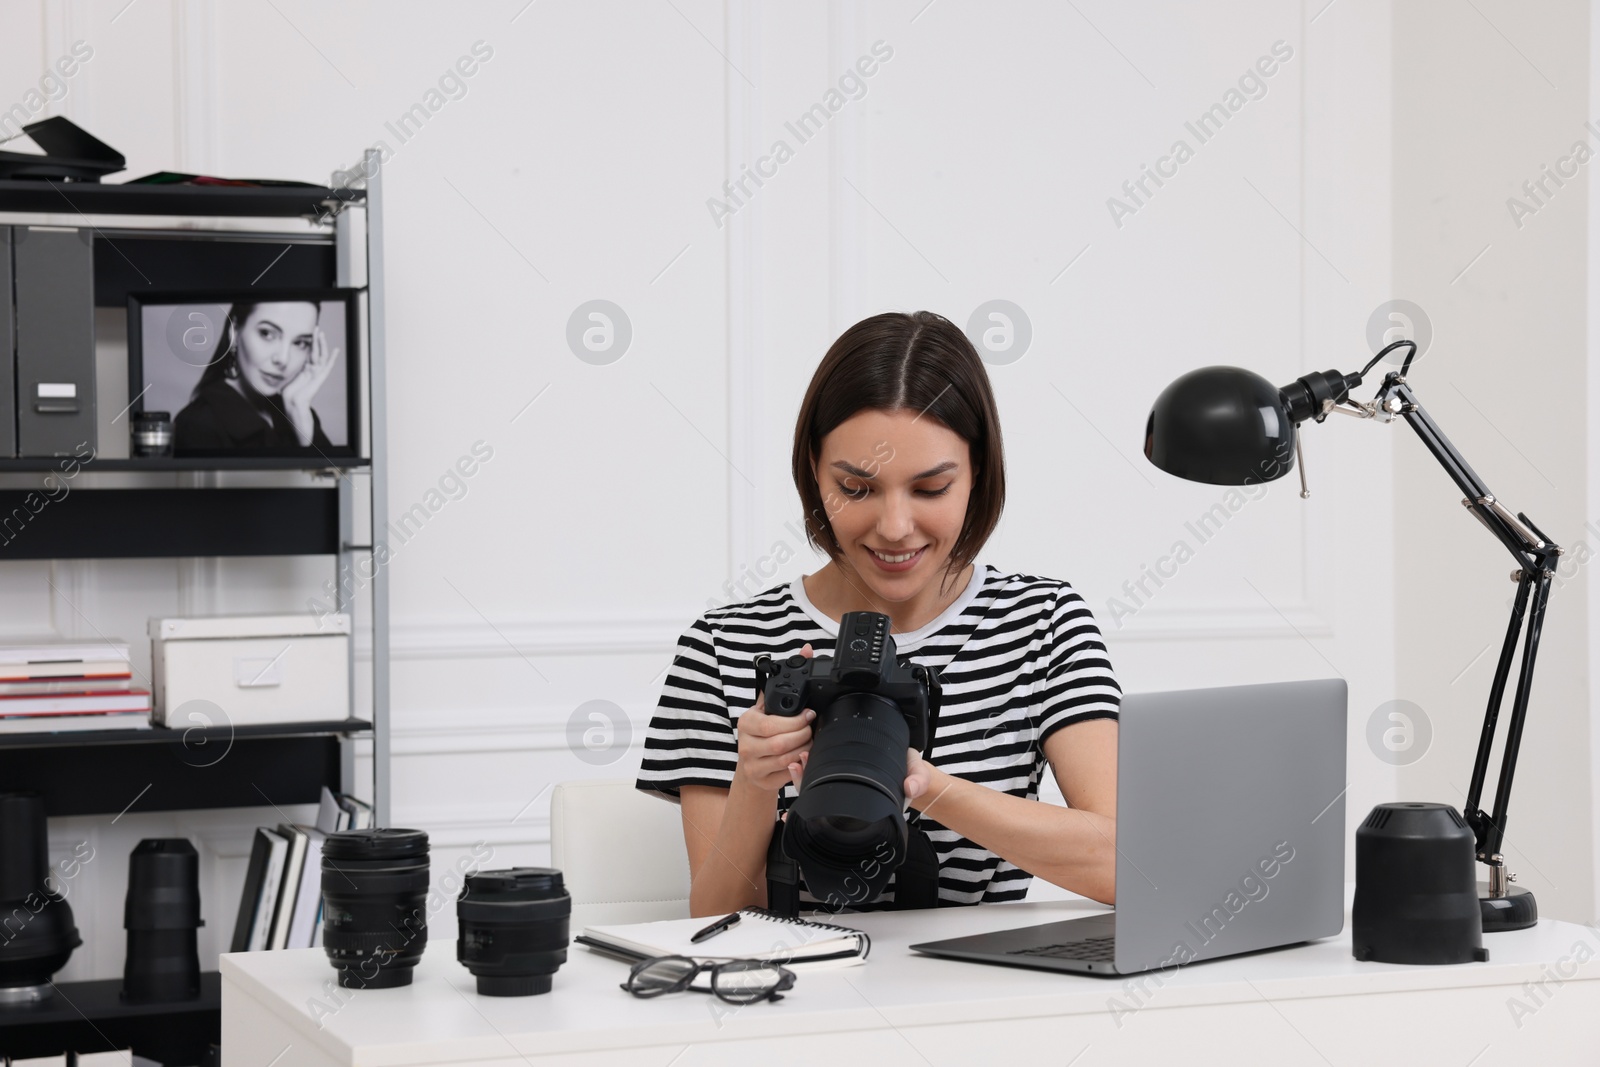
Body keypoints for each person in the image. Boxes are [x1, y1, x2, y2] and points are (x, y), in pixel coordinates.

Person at [637, 310, 1121, 916]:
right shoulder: (724, 646)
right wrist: (755, 788)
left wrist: (921, 784)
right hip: (789, 999)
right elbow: (717, 920)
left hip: (984, 994)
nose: (894, 528)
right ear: (813, 472)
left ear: (978, 474)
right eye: (857, 488)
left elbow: (1128, 866)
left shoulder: (1041, 623)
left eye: (930, 488)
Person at [173, 301, 339, 452]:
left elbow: (336, 481)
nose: (283, 359)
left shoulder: (298, 412)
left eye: (300, 343)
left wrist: (299, 410)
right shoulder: (197, 424)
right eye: (267, 334)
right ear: (235, 331)